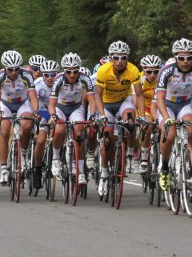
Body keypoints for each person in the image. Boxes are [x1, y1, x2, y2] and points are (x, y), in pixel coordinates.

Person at [95, 41, 146, 196]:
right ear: (111, 58)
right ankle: (104, 172)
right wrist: (102, 115)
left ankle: (127, 152)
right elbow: (97, 94)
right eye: (116, 57)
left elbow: (139, 95)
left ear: (127, 58)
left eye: (123, 58)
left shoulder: (133, 70)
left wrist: (142, 117)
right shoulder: (103, 70)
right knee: (107, 139)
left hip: (125, 101)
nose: (119, 61)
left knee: (131, 123)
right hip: (106, 103)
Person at [156, 38, 192, 190]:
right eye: (181, 58)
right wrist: (167, 118)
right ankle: (164, 168)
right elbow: (160, 99)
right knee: (169, 134)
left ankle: (190, 167)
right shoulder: (166, 71)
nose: (185, 61)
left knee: (191, 131)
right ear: (175, 57)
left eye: (189, 58)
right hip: (167, 105)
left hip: (185, 104)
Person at [0, 50, 39, 185]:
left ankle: (24, 151)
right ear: (5, 68)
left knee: (27, 124)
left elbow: (33, 97)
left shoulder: (27, 75)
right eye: (11, 69)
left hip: (22, 103)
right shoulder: (0, 76)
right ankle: (4, 169)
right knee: (5, 131)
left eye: (16, 69)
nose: (14, 72)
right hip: (5, 104)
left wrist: (35, 111)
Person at [48, 52, 96, 185]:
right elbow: (51, 103)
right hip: (60, 107)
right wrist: (53, 116)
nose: (72, 75)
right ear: (65, 71)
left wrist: (91, 115)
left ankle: (80, 172)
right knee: (59, 130)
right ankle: (56, 158)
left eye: (75, 71)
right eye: (69, 72)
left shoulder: (85, 79)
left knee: (79, 131)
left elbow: (92, 101)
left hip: (76, 107)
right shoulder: (58, 79)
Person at [33, 60, 60, 189]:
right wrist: (37, 115)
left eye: (53, 74)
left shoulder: (62, 83)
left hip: (57, 114)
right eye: (46, 75)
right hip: (43, 114)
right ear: (42, 75)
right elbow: (33, 103)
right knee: (40, 140)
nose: (50, 78)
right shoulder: (37, 85)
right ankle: (37, 169)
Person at [136, 54, 161, 173]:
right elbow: (136, 100)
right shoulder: (139, 80)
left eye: (155, 72)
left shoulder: (161, 79)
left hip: (158, 107)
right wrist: (140, 117)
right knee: (149, 125)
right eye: (149, 72)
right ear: (143, 70)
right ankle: (144, 157)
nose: (152, 75)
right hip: (144, 107)